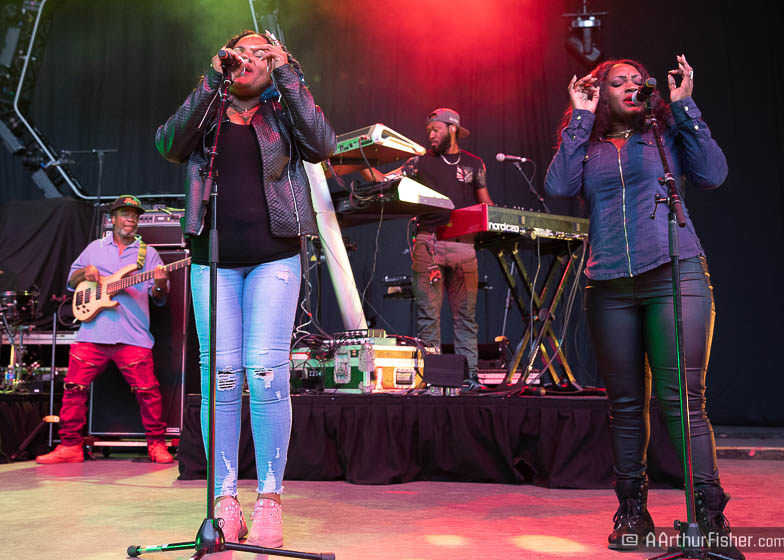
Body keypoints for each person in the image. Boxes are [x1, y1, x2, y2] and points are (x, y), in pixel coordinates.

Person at [544, 55, 743, 559]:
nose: (631, 86)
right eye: (618, 81)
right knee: (626, 407)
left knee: (682, 400)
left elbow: (713, 174)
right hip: (608, 283)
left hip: (674, 273)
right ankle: (633, 513)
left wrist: (686, 107)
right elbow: (559, 187)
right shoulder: (588, 145)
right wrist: (580, 116)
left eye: (637, 80)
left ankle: (708, 516)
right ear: (601, 92)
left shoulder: (664, 133)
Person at [155, 30, 335, 548]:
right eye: (243, 52)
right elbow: (168, 144)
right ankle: (225, 502)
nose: (251, 59)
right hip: (213, 261)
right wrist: (211, 80)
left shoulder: (283, 111)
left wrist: (289, 74)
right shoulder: (208, 112)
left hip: (274, 256)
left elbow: (323, 144)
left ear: (274, 63)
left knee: (264, 369)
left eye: (262, 52)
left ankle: (270, 499)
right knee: (222, 377)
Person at [35, 195, 174, 465]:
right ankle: (70, 446)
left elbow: (159, 296)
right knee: (73, 389)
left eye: (135, 215)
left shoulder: (148, 254)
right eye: (125, 214)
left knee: (148, 392)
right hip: (92, 333)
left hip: (133, 335)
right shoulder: (94, 248)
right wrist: (85, 273)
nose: (130, 219)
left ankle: (156, 444)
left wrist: (160, 283)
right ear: (112, 219)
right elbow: (72, 281)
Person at [365, 108, 493, 389]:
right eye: (429, 131)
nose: (431, 135)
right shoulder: (419, 162)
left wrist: (497, 222)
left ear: (453, 128)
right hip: (429, 243)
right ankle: (432, 378)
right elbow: (383, 180)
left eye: (436, 129)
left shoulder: (474, 164)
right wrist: (360, 160)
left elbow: (487, 205)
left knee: (466, 317)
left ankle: (469, 376)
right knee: (428, 316)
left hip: (464, 246)